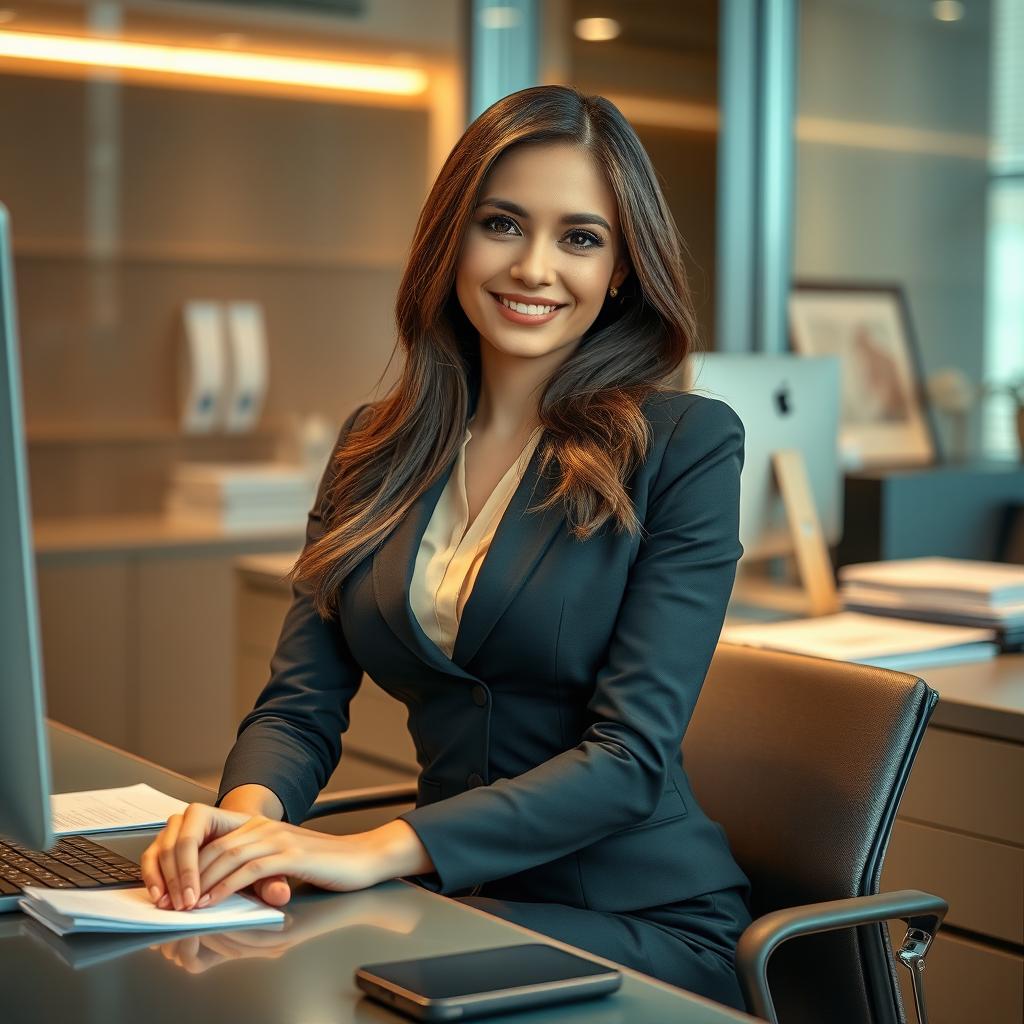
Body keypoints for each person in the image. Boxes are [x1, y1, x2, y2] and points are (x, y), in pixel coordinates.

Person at [141, 84, 752, 1010]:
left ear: (623, 269)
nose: (536, 267)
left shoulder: (685, 446)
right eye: (503, 224)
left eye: (581, 237)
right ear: (452, 237)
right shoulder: (372, 448)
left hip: (640, 919)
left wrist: (372, 852)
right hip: (459, 898)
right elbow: (300, 707)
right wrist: (244, 830)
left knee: (346, 984)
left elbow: (629, 759)